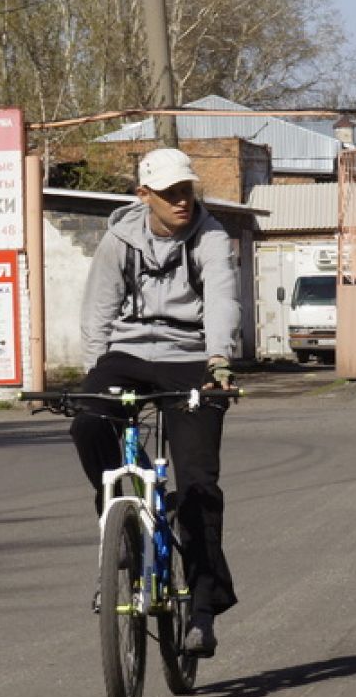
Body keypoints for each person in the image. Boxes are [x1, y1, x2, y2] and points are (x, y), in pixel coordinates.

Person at [69, 147, 240, 656]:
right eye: (169, 194)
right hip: (128, 356)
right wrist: (94, 373)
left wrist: (218, 361)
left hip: (192, 358)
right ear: (145, 196)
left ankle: (204, 612)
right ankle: (123, 503)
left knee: (197, 485)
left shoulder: (210, 237)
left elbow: (222, 298)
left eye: (186, 190)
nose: (181, 201)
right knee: (87, 422)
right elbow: (98, 308)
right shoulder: (120, 239)